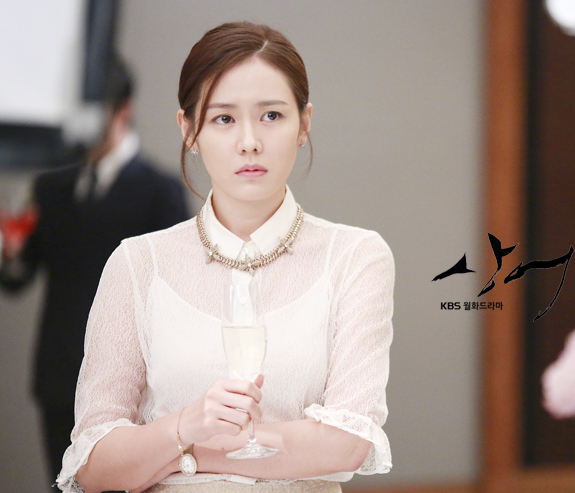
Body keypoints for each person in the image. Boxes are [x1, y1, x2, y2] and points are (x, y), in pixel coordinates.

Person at [57, 22, 394, 493]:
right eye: (223, 119)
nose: (249, 141)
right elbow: (94, 465)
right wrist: (186, 424)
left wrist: (183, 449)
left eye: (272, 115)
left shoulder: (354, 258)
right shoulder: (138, 264)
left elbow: (345, 446)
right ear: (188, 130)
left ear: (305, 123)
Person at [0, 58, 189, 486]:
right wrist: (10, 252)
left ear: (123, 110)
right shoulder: (51, 187)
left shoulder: (160, 191)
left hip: (132, 385)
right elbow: (17, 278)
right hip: (59, 375)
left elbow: (176, 292)